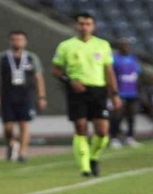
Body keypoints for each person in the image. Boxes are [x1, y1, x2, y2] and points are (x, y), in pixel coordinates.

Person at [52, 13, 121, 177]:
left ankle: (93, 157)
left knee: (102, 131)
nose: (84, 27)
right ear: (76, 26)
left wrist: (114, 94)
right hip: (77, 90)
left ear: (93, 26)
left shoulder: (102, 45)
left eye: (88, 24)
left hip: (98, 90)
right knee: (81, 127)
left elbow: (109, 71)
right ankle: (85, 168)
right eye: (82, 24)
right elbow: (55, 70)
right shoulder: (66, 46)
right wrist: (69, 80)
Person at [0, 30, 47, 162]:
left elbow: (38, 77)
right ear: (10, 41)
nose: (17, 42)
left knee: (24, 123)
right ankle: (11, 143)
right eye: (14, 39)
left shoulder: (31, 57)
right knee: (8, 126)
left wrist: (41, 96)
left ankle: (23, 152)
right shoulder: (2, 57)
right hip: (8, 94)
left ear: (25, 41)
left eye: (20, 39)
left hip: (26, 95)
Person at [109, 38, 142, 148]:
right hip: (119, 92)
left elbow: (137, 74)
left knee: (131, 116)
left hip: (132, 92)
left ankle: (130, 137)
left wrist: (138, 90)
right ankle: (114, 137)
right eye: (123, 45)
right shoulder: (114, 59)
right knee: (117, 116)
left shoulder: (133, 59)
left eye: (127, 45)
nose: (126, 47)